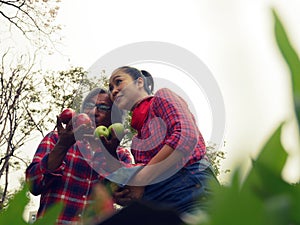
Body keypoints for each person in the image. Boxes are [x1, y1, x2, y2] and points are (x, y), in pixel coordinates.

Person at [108, 66, 220, 217]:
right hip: (161, 203)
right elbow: (153, 174)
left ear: (139, 82)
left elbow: (185, 135)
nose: (114, 90)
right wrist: (130, 193)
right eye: (110, 88)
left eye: (118, 82)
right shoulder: (136, 141)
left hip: (191, 188)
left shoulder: (162, 97)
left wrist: (141, 179)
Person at [25, 87, 133, 225]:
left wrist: (110, 156)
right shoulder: (56, 139)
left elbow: (128, 195)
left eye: (103, 108)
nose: (94, 112)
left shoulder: (120, 154)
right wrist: (62, 146)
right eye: (89, 106)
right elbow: (34, 185)